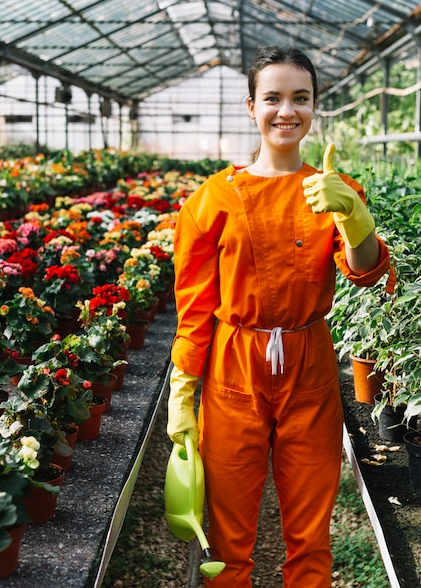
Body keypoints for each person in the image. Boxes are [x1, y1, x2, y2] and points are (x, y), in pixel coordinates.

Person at [167, 45, 394, 587]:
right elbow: (194, 304)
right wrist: (183, 392)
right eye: (272, 98)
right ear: (252, 107)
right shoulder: (213, 198)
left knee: (311, 534)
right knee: (227, 535)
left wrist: (353, 216)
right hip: (233, 363)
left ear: (315, 107)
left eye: (301, 98)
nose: (286, 111)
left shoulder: (332, 188)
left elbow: (364, 269)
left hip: (307, 363)